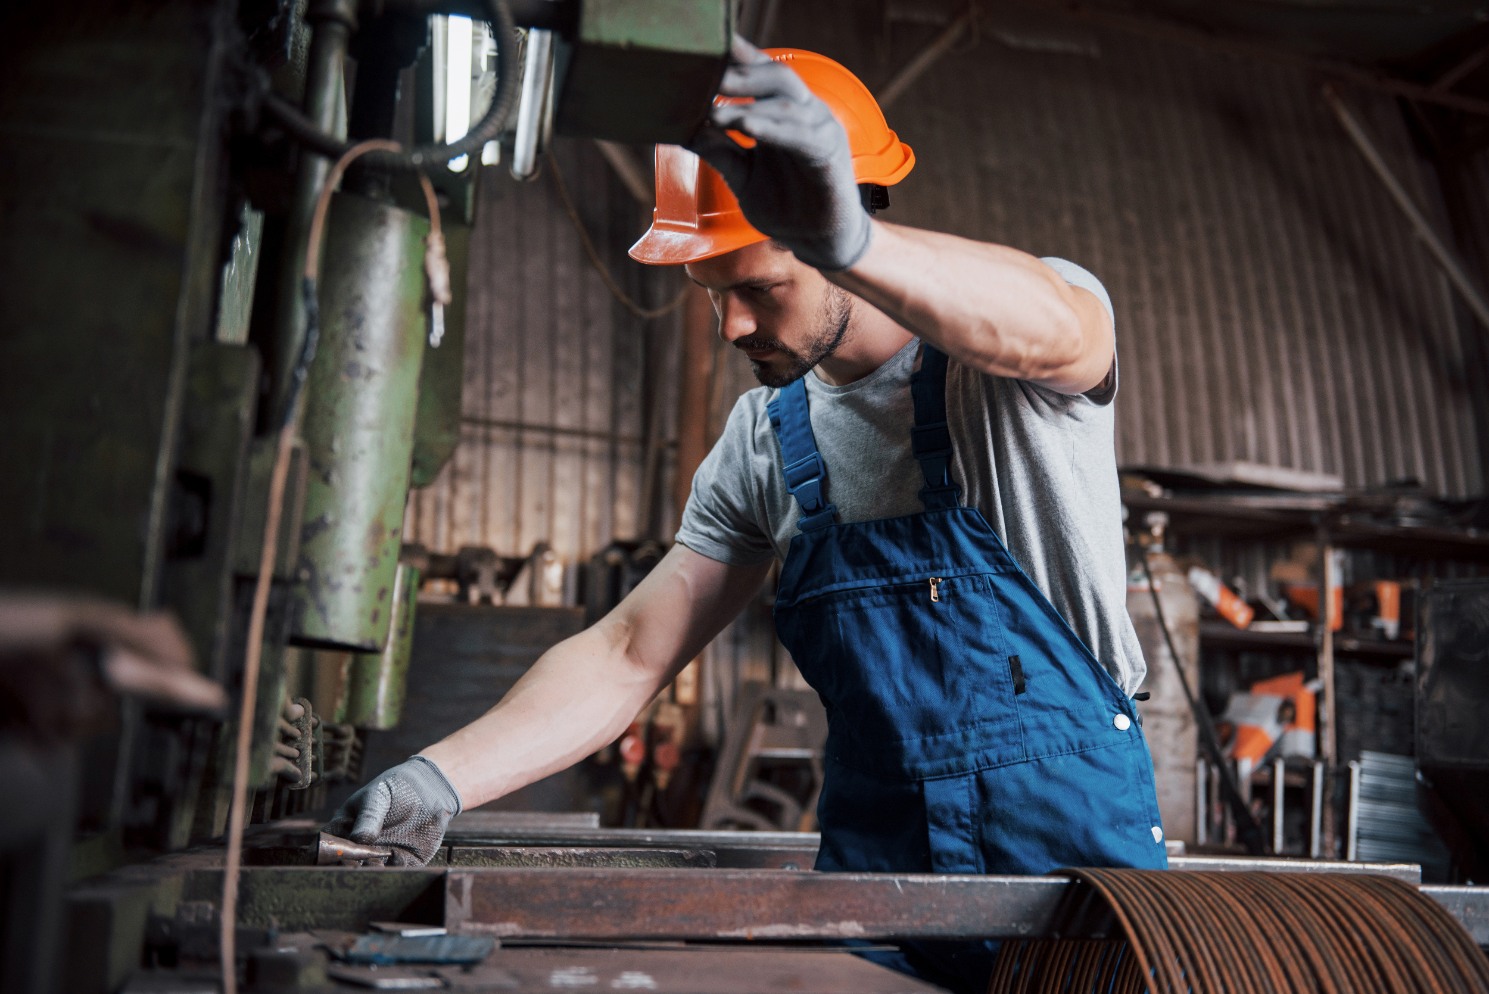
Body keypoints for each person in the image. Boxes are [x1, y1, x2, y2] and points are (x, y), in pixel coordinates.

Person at [328, 39, 1166, 992]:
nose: (729, 327)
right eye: (711, 294)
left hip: (1067, 884)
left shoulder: (1003, 374)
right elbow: (628, 653)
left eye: (758, 288)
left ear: (847, 229)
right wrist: (438, 780)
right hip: (878, 887)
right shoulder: (766, 439)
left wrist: (849, 238)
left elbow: (1061, 324)